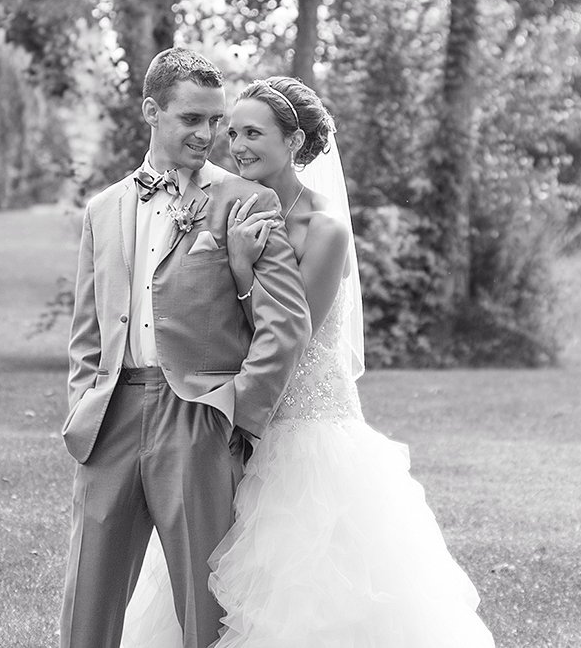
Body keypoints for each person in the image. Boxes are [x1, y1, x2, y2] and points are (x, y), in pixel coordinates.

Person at [120, 76, 496, 647]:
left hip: (306, 434)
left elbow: (292, 335)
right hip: (229, 420)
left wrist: (243, 272)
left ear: (294, 143)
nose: (236, 145)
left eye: (254, 133)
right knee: (209, 587)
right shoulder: (222, 208)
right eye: (233, 131)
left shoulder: (326, 229)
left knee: (303, 597)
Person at [59, 50, 313, 648]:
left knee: (206, 607)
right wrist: (81, 406)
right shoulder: (104, 209)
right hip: (111, 418)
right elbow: (87, 332)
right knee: (87, 602)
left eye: (215, 121)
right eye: (191, 119)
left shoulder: (246, 201)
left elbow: (287, 325)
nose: (207, 134)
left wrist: (239, 415)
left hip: (198, 417)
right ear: (151, 112)